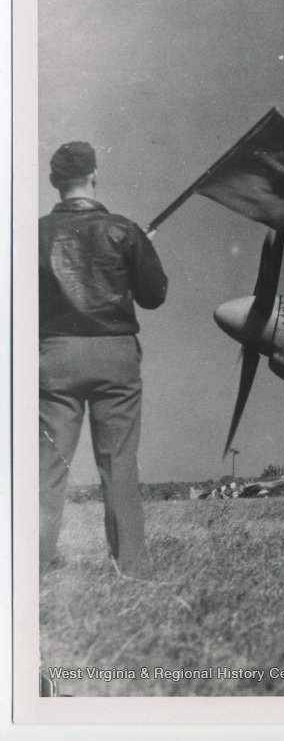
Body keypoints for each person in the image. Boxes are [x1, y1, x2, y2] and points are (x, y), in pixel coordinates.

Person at [39, 141, 168, 575]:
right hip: (115, 357)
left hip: (54, 355)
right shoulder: (123, 230)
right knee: (119, 463)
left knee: (48, 466)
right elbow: (153, 296)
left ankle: (31, 564)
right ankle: (131, 566)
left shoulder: (32, 233)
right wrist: (138, 254)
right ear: (94, 175)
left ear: (55, 182)